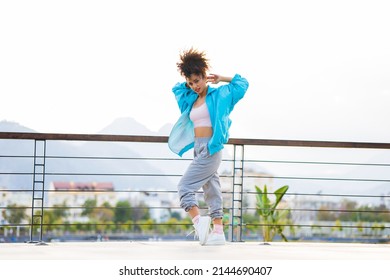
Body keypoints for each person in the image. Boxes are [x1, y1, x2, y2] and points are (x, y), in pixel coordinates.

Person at [168, 47, 249, 245]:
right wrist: (188, 71)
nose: (194, 85)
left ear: (205, 76)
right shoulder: (190, 99)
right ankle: (218, 232)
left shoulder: (220, 95)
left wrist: (222, 78)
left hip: (212, 148)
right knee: (212, 188)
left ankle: (198, 221)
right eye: (191, 82)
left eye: (197, 80)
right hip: (198, 147)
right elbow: (177, 89)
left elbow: (243, 84)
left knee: (184, 187)